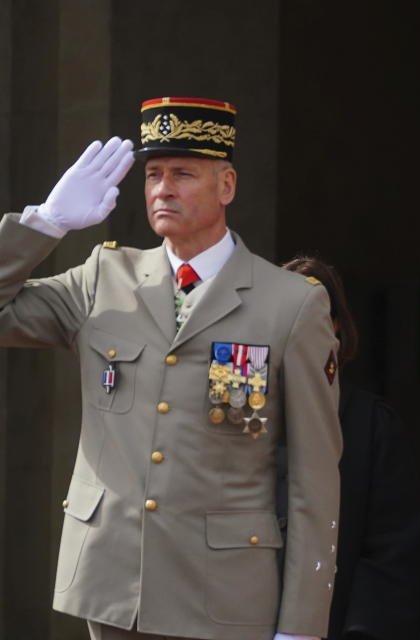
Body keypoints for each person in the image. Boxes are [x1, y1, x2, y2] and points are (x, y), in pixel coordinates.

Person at [0, 97, 341, 640]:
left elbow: (313, 475)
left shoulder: (290, 304)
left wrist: (301, 624)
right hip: (114, 589)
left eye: (183, 174)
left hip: (223, 595)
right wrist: (44, 224)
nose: (163, 189)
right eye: (153, 174)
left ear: (226, 186)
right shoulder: (103, 278)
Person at [279, 256, 420, 640]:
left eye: (310, 317)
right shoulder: (238, 418)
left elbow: (393, 553)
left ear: (337, 328)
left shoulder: (373, 424)